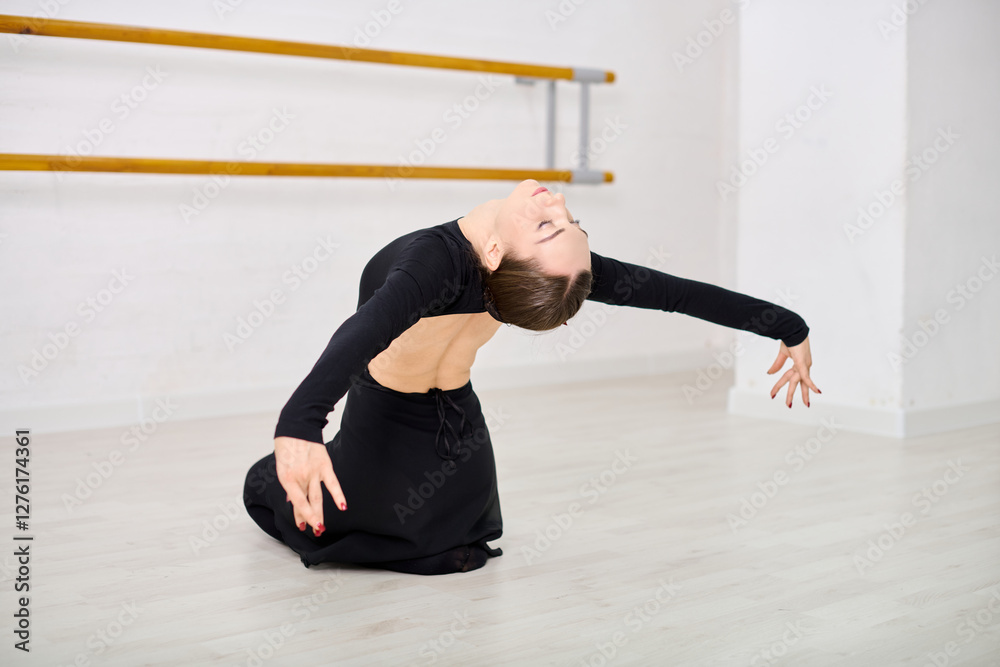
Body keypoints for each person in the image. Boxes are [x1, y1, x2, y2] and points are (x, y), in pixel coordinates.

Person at [242, 179, 820, 574]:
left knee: (455, 542)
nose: (557, 203)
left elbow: (672, 294)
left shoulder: (551, 270)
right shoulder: (431, 263)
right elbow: (363, 331)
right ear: (491, 252)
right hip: (385, 413)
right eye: (554, 223)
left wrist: (787, 326)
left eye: (561, 224)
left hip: (457, 412)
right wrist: (299, 425)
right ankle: (278, 474)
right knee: (317, 519)